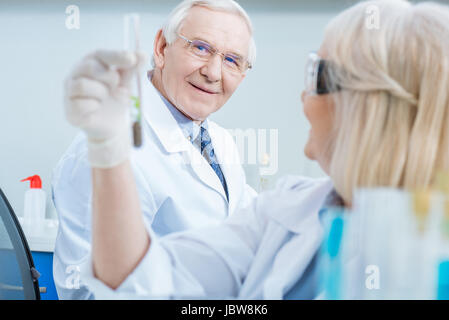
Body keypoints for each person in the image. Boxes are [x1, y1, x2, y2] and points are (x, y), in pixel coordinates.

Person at [73, 0, 449, 299]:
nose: (303, 97)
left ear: (371, 108)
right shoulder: (289, 209)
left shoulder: (432, 255)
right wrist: (109, 150)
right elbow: (136, 282)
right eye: (200, 48)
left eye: (316, 75)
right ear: (161, 47)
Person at [52, 0, 258, 299]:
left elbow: (249, 228)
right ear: (162, 48)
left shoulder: (218, 140)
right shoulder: (105, 148)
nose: (213, 73)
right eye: (200, 48)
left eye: (232, 60)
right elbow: (85, 293)